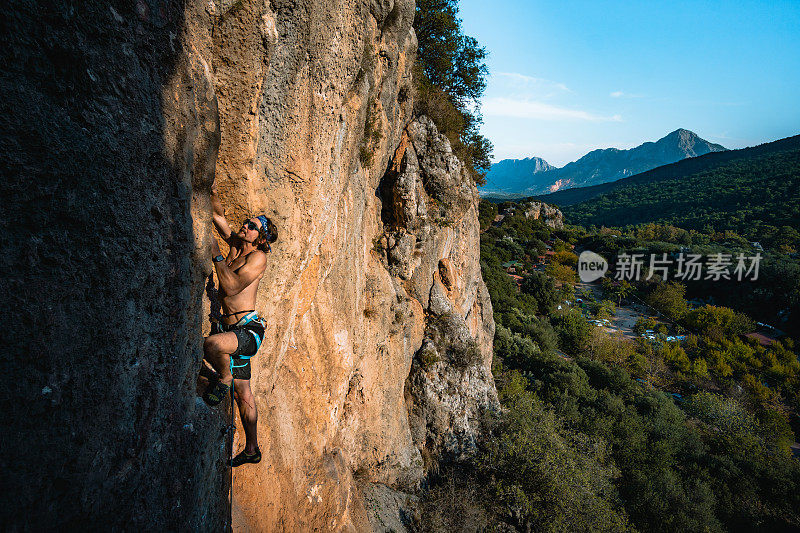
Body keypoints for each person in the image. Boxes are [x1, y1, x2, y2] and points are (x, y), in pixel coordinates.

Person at [202, 183, 277, 466]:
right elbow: (218, 215)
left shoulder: (258, 258)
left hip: (247, 331)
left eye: (252, 226)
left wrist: (217, 256)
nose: (245, 226)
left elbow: (231, 287)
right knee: (243, 392)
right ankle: (252, 449)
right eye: (246, 222)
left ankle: (224, 377)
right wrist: (210, 187)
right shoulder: (236, 243)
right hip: (233, 329)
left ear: (261, 238)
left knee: (212, 345)